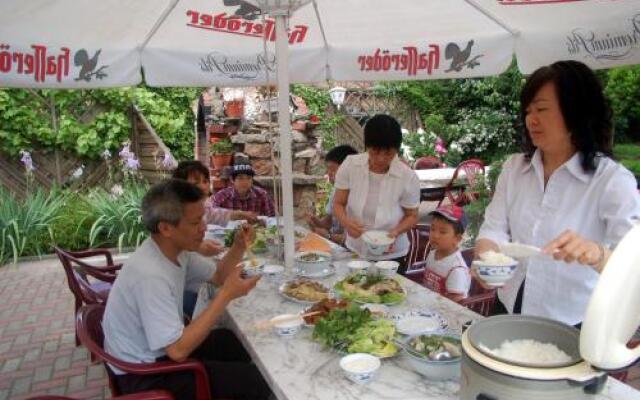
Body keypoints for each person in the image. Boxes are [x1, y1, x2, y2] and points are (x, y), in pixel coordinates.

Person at [475, 60, 640, 326]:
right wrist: (486, 259)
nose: (531, 119)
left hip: (572, 320)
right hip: (510, 304)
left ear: (576, 112)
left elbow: (634, 267)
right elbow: (493, 228)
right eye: (528, 110)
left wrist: (595, 253)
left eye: (541, 109)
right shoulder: (515, 168)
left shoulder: (611, 181)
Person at [102, 179, 271, 400]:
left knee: (232, 342)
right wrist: (227, 295)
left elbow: (218, 277)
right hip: (142, 374)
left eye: (203, 217)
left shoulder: (176, 250)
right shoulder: (150, 275)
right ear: (165, 228)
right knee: (256, 382)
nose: (204, 227)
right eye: (195, 222)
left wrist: (239, 246)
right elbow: (178, 351)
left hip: (159, 351)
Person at [333, 114, 420, 274]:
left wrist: (394, 233)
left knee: (387, 295)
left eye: (388, 153)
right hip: (356, 247)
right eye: (375, 151)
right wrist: (346, 223)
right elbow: (338, 203)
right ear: (367, 146)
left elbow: (412, 216)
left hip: (392, 254)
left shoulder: (407, 176)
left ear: (397, 149)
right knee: (353, 291)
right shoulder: (351, 165)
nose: (380, 158)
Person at [306, 145, 358, 244]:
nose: (329, 173)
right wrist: (315, 222)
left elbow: (356, 240)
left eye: (333, 169)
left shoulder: (359, 196)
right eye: (328, 169)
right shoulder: (336, 191)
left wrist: (328, 236)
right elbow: (328, 222)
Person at [422, 205, 471, 302]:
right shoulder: (433, 253)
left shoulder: (456, 269)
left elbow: (456, 301)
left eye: (443, 232)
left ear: (457, 238)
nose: (435, 235)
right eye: (432, 229)